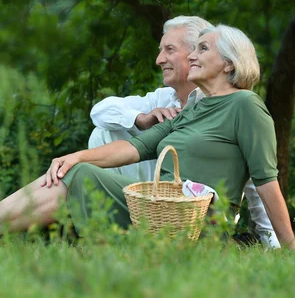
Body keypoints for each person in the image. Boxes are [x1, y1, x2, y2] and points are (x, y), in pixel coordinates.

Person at [0, 24, 295, 251]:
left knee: (76, 176)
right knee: (72, 170)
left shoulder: (246, 107)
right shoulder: (195, 108)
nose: (192, 55)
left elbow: (267, 182)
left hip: (194, 226)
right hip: (154, 211)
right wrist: (76, 155)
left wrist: (290, 249)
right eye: (193, 47)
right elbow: (136, 147)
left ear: (230, 63)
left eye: (202, 48)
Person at [89, 16, 280, 248]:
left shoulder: (239, 105)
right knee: (101, 136)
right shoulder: (166, 101)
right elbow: (102, 113)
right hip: (161, 200)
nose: (159, 59)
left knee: (78, 175)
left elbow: (257, 176)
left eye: (169, 50)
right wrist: (140, 119)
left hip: (195, 217)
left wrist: (274, 242)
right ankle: (122, 230)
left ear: (226, 62)